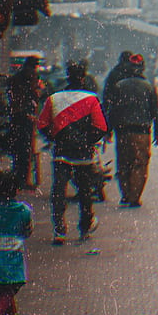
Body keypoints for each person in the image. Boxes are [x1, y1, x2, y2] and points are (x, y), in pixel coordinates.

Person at [36, 61, 108, 245]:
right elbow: (101, 127)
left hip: (61, 153)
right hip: (83, 155)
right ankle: (84, 228)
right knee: (85, 192)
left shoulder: (54, 98)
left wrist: (55, 138)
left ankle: (59, 230)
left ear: (67, 76)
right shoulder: (92, 99)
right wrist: (88, 142)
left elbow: (42, 125)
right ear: (83, 77)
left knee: (59, 191)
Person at [105, 53, 158, 206]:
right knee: (139, 163)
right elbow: (155, 111)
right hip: (141, 132)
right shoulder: (148, 86)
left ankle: (125, 193)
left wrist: (108, 130)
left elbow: (113, 110)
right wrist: (157, 131)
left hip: (122, 131)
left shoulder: (119, 86)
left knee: (123, 163)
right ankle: (134, 196)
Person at [0, 164, 33, 315]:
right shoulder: (23, 210)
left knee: (4, 290)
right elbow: (27, 231)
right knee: (8, 290)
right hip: (13, 261)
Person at [7, 56, 43, 191]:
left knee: (20, 150)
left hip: (18, 117)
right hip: (25, 118)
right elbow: (31, 96)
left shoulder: (18, 77)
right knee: (25, 150)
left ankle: (19, 179)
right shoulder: (30, 76)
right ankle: (22, 180)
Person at [102, 51, 134, 115]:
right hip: (133, 111)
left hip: (117, 111)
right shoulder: (134, 73)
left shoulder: (114, 73)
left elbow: (107, 92)